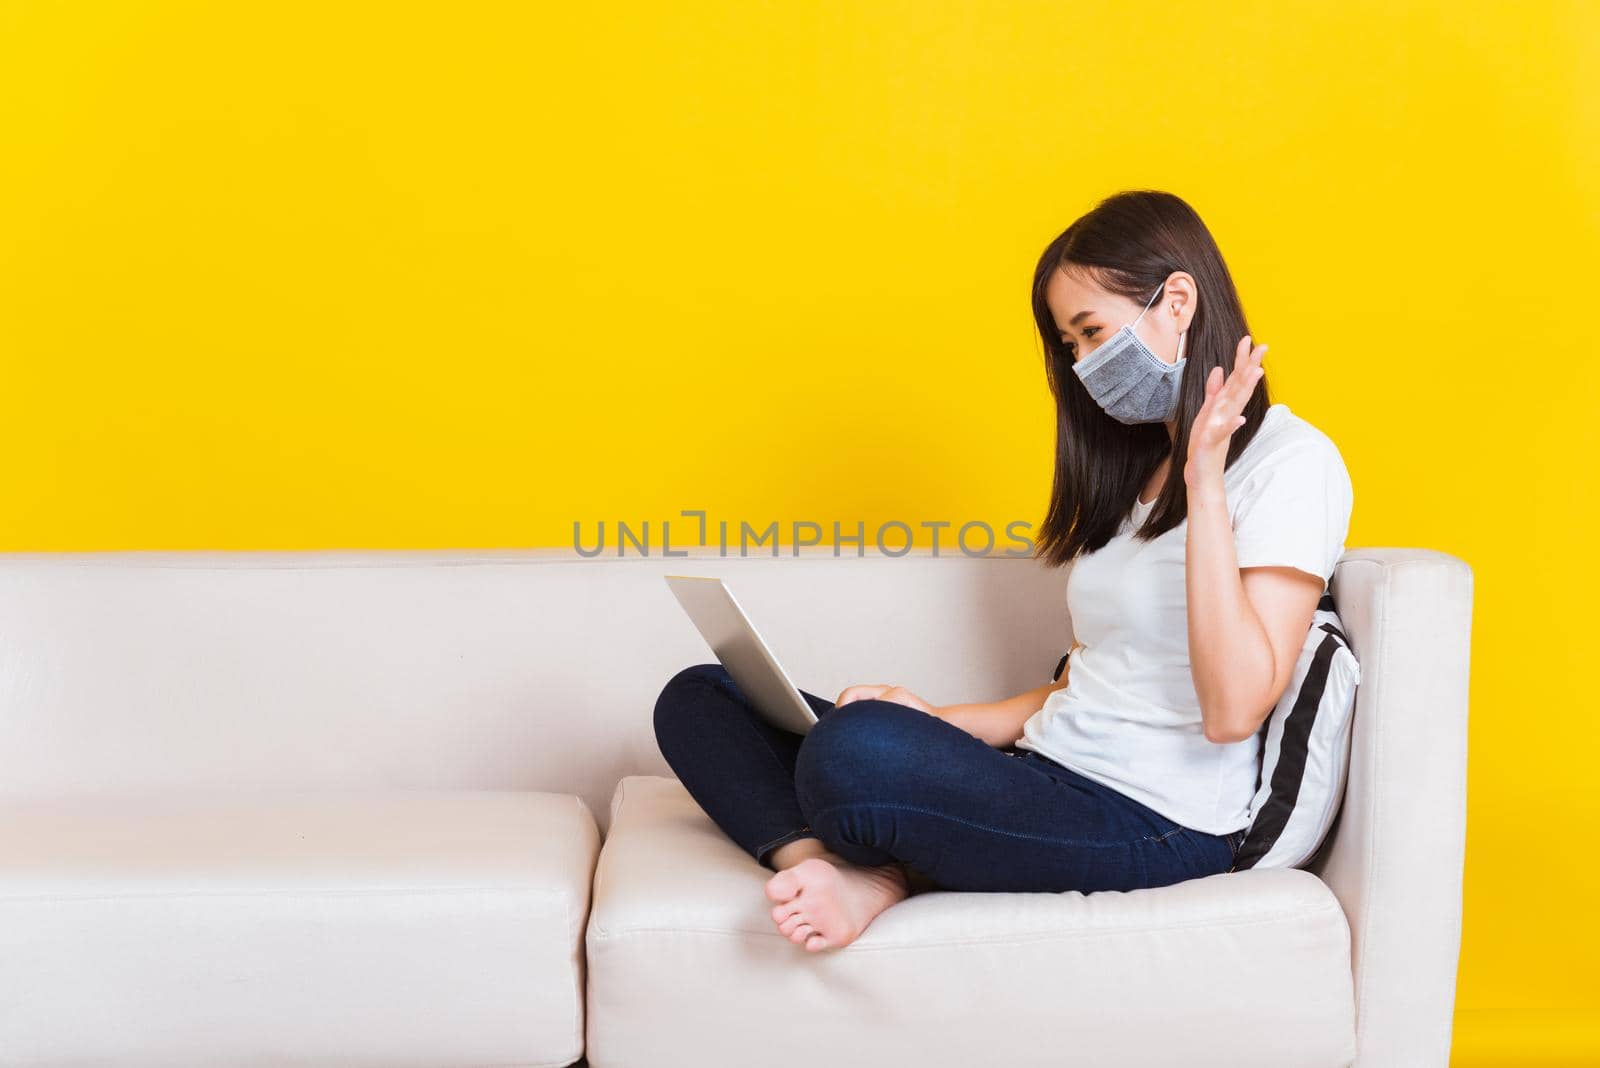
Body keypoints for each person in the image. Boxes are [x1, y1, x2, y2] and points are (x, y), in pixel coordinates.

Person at [652, 189, 1354, 953]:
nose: (1083, 365)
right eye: (1069, 346)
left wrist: (1206, 482)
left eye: (1091, 333)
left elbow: (1235, 709)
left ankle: (884, 875)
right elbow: (1085, 685)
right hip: (1048, 772)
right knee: (700, 698)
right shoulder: (1133, 476)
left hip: (1157, 823)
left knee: (851, 755)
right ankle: (829, 866)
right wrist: (932, 720)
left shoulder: (1291, 464)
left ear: (1176, 302)